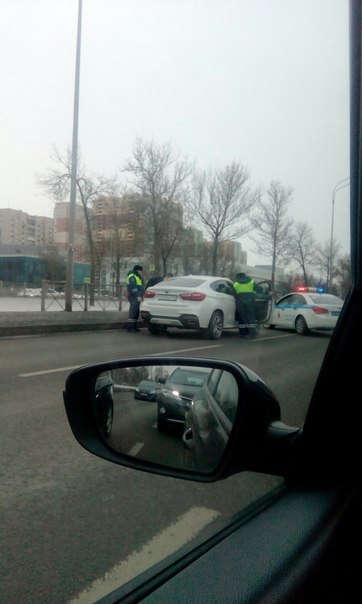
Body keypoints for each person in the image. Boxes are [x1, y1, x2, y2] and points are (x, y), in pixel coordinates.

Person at [233, 272, 258, 337]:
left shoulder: (235, 284)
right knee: (251, 318)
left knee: (241, 318)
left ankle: (243, 333)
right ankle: (252, 334)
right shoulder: (251, 282)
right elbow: (259, 289)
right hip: (250, 303)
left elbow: (232, 292)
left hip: (240, 304)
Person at [125, 264, 145, 332]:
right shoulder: (132, 276)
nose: (141, 272)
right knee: (133, 311)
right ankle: (130, 327)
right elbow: (133, 287)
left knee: (136, 311)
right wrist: (138, 295)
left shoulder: (137, 276)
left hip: (137, 296)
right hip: (134, 296)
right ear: (137, 270)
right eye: (141, 271)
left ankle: (134, 326)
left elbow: (140, 286)